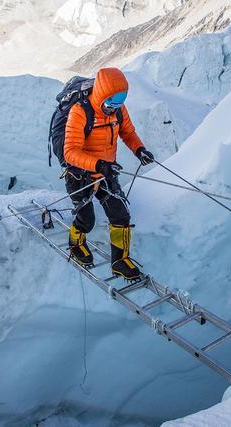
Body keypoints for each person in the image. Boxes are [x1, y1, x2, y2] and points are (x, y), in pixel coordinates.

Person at [63, 67, 154, 281]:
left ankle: (120, 262)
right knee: (86, 220)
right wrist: (98, 165)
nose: (113, 109)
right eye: (110, 103)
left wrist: (139, 149)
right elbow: (70, 152)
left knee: (120, 215)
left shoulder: (118, 111)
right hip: (80, 175)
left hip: (106, 171)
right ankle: (76, 244)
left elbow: (128, 132)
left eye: (118, 103)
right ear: (101, 95)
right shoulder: (80, 111)